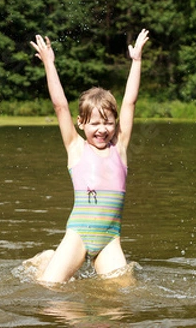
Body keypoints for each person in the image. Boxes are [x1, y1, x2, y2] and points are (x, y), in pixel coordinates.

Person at [26, 29, 149, 283]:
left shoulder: (120, 147)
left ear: (115, 123)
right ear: (81, 123)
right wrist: (49, 63)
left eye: (108, 123)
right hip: (79, 235)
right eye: (94, 124)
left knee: (121, 299)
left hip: (109, 239)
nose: (102, 129)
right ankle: (47, 259)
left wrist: (136, 61)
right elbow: (60, 105)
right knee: (49, 287)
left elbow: (129, 103)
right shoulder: (76, 148)